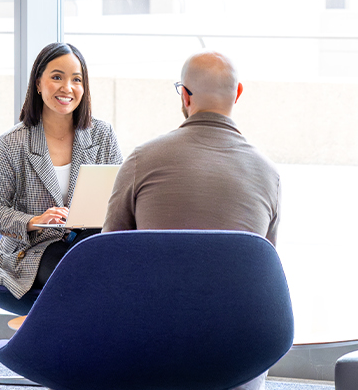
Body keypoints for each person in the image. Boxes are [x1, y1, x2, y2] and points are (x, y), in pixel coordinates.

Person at [102, 50, 280, 390]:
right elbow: (266, 270)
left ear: (185, 95)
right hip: (239, 358)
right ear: (237, 93)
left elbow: (110, 255)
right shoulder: (268, 174)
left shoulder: (142, 158)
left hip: (152, 347)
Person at [0, 42, 122, 299]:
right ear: (38, 83)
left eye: (76, 79)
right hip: (34, 249)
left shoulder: (102, 135)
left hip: (91, 241)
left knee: (109, 268)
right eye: (57, 77)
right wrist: (33, 221)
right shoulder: (13, 143)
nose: (67, 88)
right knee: (77, 274)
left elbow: (120, 199)